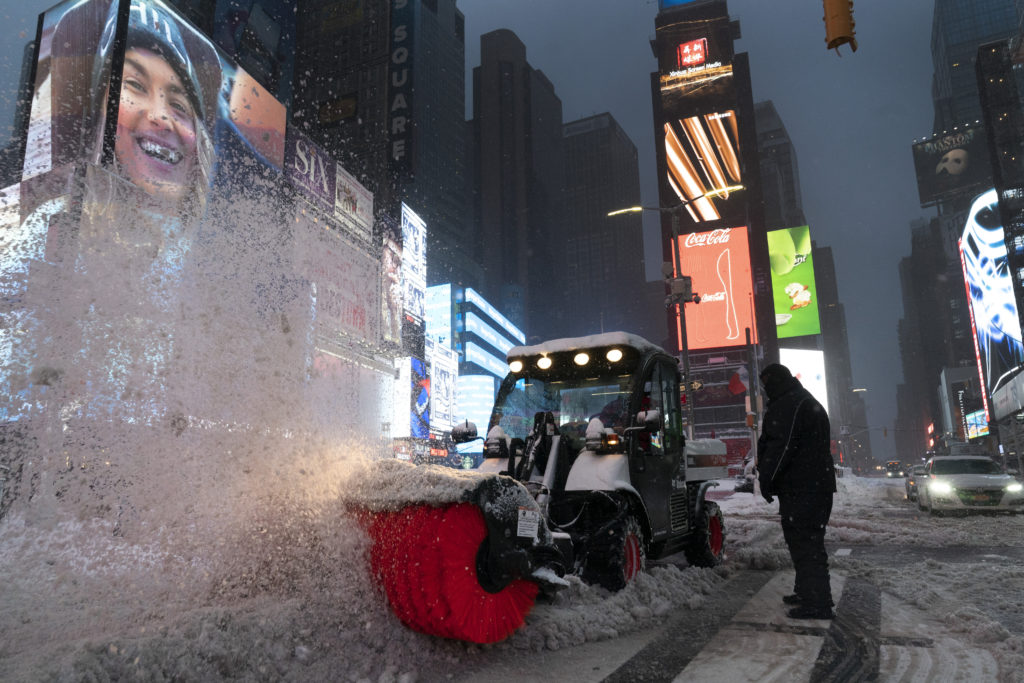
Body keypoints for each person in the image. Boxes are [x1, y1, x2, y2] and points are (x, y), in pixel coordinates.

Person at [757, 363, 837, 620]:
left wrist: (766, 480)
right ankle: (806, 592)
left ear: (775, 381)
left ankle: (819, 603)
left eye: (767, 383)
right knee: (802, 541)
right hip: (808, 486)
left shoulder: (790, 404)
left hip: (804, 487)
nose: (765, 390)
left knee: (807, 544)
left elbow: (781, 447)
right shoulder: (799, 400)